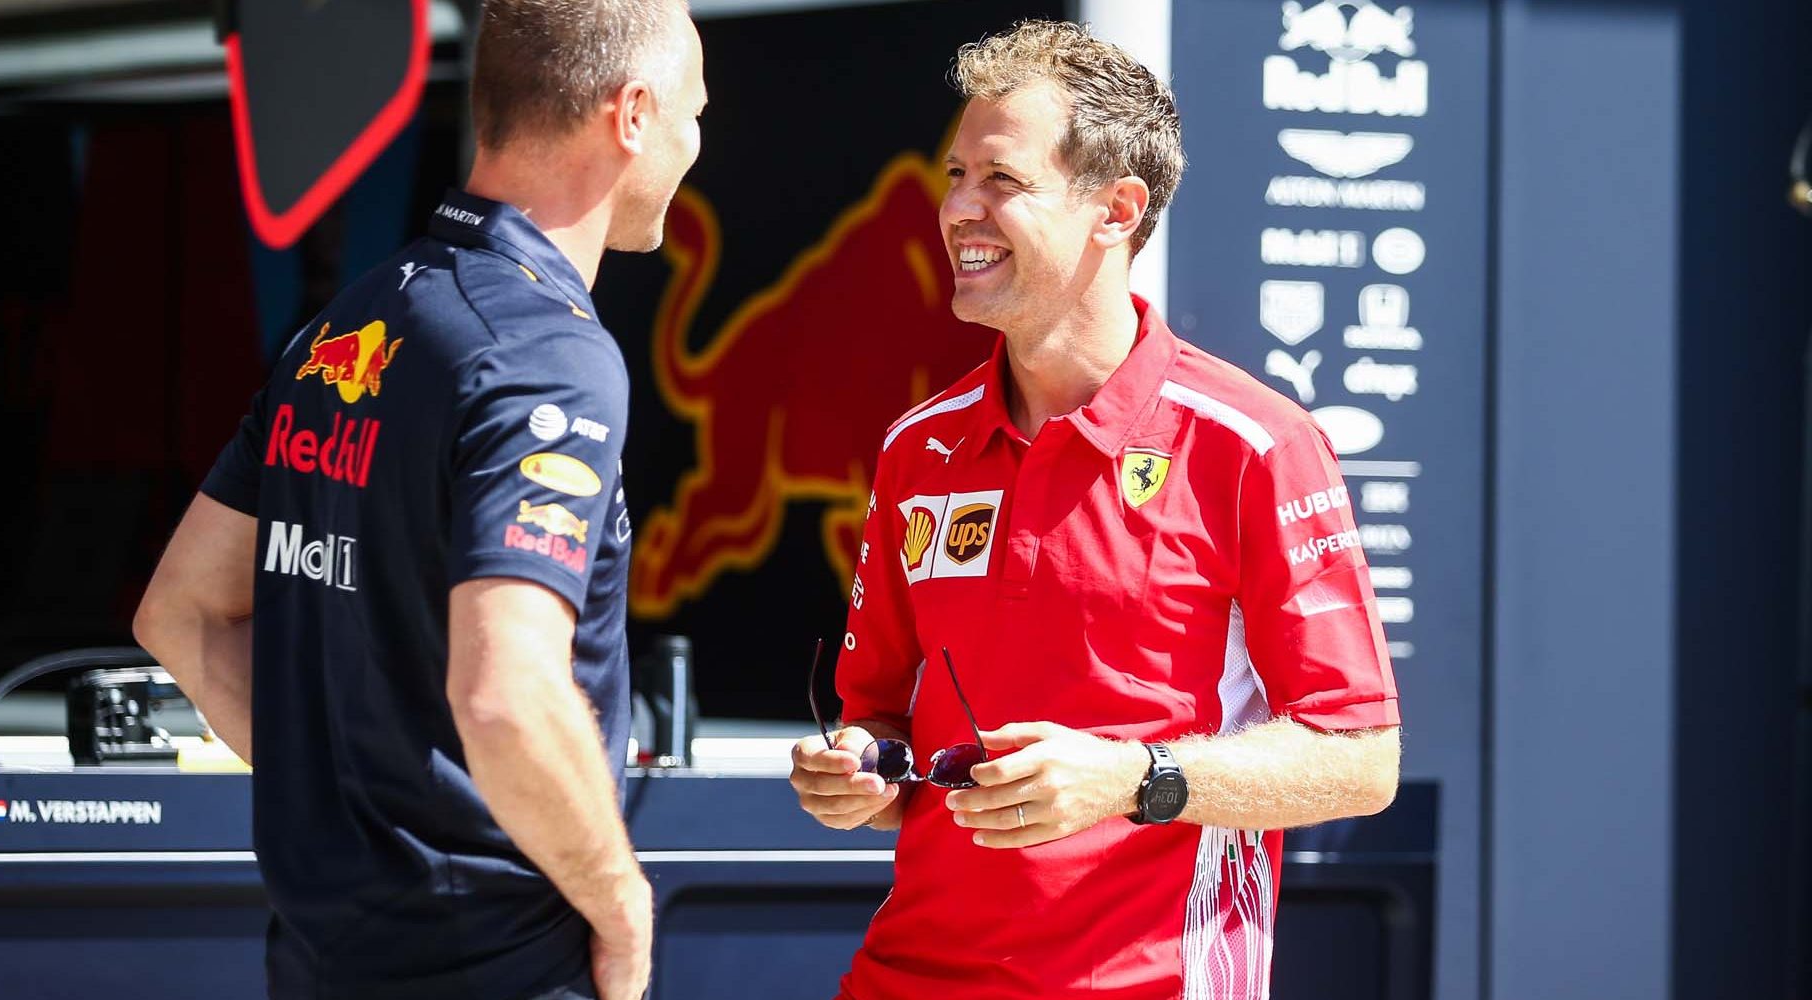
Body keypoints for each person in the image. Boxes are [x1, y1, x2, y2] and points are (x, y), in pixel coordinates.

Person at [788, 20, 1401, 1000]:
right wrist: (861, 766)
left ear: (1117, 209)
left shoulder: (1255, 443)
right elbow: (882, 713)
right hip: (907, 977)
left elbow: (1361, 760)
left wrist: (1134, 779)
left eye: (1002, 181)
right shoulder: (920, 446)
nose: (957, 210)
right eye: (955, 177)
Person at [133, 2, 705, 997]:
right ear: (635, 113)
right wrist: (621, 900)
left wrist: (347, 796)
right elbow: (508, 692)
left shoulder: (352, 322)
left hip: (322, 951)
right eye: (697, 113)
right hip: (495, 958)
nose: (700, 143)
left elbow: (178, 613)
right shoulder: (545, 354)